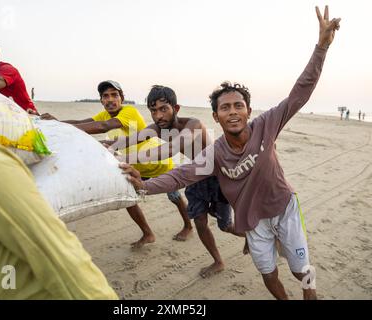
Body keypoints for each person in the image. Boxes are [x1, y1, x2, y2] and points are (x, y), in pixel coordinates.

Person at [121, 6, 340, 299]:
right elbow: (180, 176)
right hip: (253, 222)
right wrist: (144, 185)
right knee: (269, 273)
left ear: (248, 111)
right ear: (216, 116)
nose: (233, 111)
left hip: (284, 209)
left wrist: (321, 48)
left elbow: (300, 92)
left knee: (302, 270)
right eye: (225, 107)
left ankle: (309, 293)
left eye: (238, 106)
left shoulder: (266, 125)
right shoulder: (216, 154)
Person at [0, 132, 117, 299]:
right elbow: (51, 249)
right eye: (104, 101)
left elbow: (48, 249)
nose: (108, 102)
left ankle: (145, 231)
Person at [107, 85, 246, 278]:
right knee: (199, 221)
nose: (158, 116)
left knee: (226, 226)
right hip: (196, 176)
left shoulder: (193, 124)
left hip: (218, 178)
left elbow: (173, 148)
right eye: (153, 111)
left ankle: (248, 236)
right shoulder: (157, 128)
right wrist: (109, 146)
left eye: (164, 109)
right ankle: (218, 261)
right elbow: (132, 139)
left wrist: (127, 159)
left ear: (176, 108)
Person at [41, 80, 193, 246]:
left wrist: (61, 126)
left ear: (122, 98)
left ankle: (188, 226)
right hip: (134, 166)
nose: (110, 99)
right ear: (101, 100)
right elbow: (81, 122)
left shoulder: (129, 112)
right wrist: (57, 122)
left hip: (157, 163)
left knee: (174, 196)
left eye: (114, 95)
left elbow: (104, 126)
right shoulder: (105, 115)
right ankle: (148, 234)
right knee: (128, 198)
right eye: (105, 96)